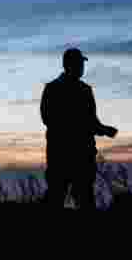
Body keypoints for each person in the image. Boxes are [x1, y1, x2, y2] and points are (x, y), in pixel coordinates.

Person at [40, 48, 118, 210]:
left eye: (82, 64)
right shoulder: (56, 89)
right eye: (79, 63)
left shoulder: (81, 90)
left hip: (75, 154)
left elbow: (92, 122)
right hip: (66, 154)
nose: (82, 67)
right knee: (62, 196)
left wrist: (104, 129)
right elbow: (48, 119)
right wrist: (98, 129)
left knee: (80, 198)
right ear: (68, 65)